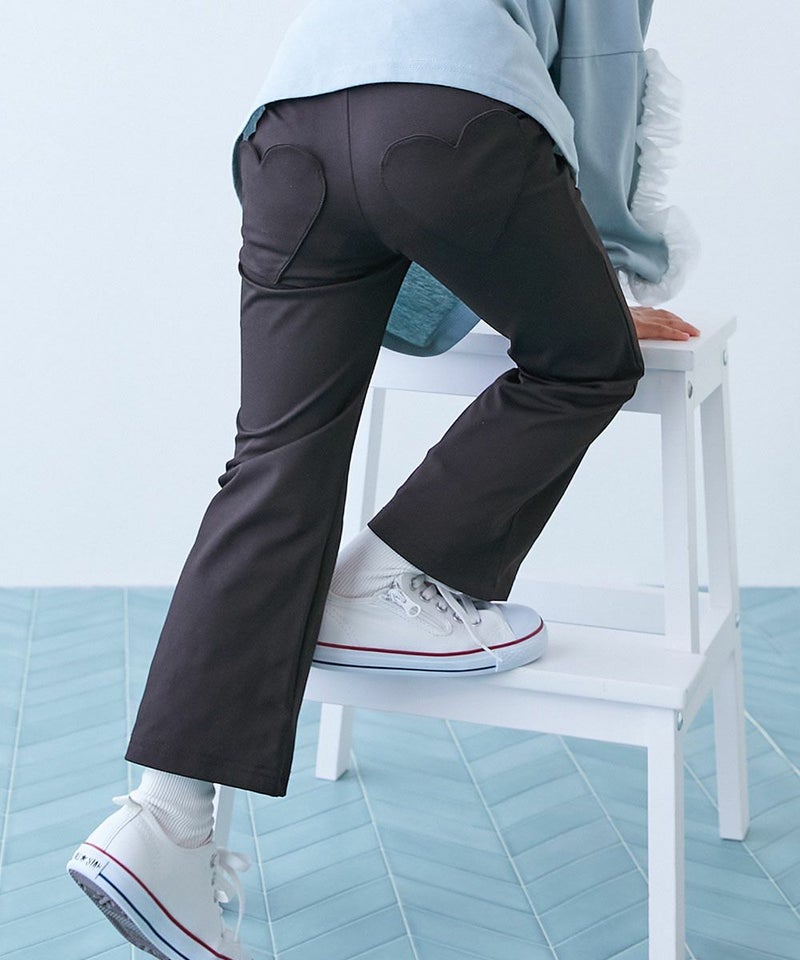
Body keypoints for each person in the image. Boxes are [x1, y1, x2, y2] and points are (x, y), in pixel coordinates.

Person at [66, 1, 700, 957]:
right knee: (588, 359)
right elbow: (604, 69)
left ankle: (164, 814)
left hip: (289, 133)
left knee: (273, 459)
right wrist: (606, 276)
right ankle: (385, 578)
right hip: (449, 124)